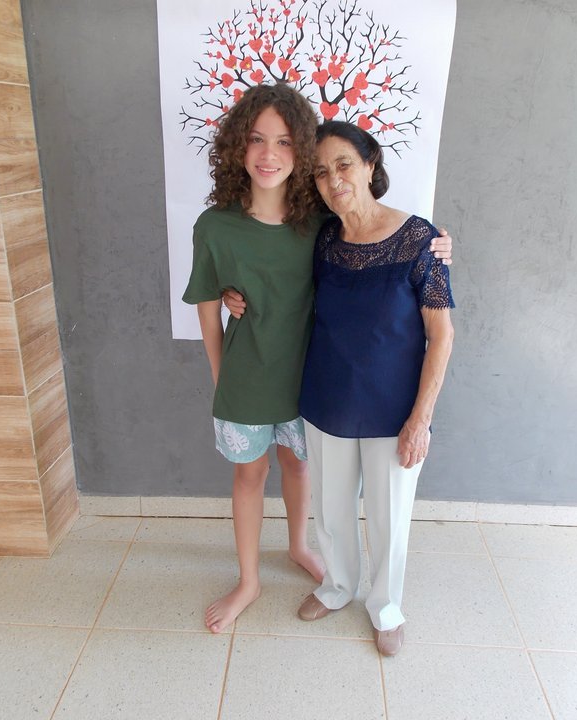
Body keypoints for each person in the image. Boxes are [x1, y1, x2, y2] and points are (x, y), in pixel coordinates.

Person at [184, 85, 453, 634]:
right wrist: (227, 334)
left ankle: (345, 579)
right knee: (289, 492)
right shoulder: (268, 230)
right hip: (284, 389)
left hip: (350, 393)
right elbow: (230, 297)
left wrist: (439, 244)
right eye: (257, 139)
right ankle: (291, 584)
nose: (270, 153)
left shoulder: (368, 233)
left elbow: (429, 313)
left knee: (345, 493)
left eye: (285, 142)